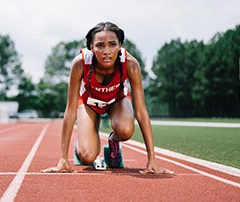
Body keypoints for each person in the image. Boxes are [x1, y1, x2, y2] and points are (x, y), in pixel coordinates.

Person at [42, 22, 173, 174]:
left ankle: (113, 142)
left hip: (116, 101)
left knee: (125, 130)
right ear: (91, 47)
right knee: (87, 156)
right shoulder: (80, 63)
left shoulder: (130, 64)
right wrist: (63, 159)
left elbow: (142, 112)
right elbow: (70, 111)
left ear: (120, 45)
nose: (107, 51)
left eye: (112, 45)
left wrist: (152, 160)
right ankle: (83, 144)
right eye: (100, 45)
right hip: (89, 103)